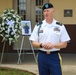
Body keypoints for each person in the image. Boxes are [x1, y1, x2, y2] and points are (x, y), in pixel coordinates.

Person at [29, 3, 70, 75]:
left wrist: (53, 45)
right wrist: (42, 45)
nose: (46, 13)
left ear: (53, 11)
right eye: (44, 11)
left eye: (48, 11)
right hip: (42, 56)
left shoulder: (60, 26)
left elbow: (64, 44)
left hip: (54, 56)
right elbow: (34, 42)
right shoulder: (38, 26)